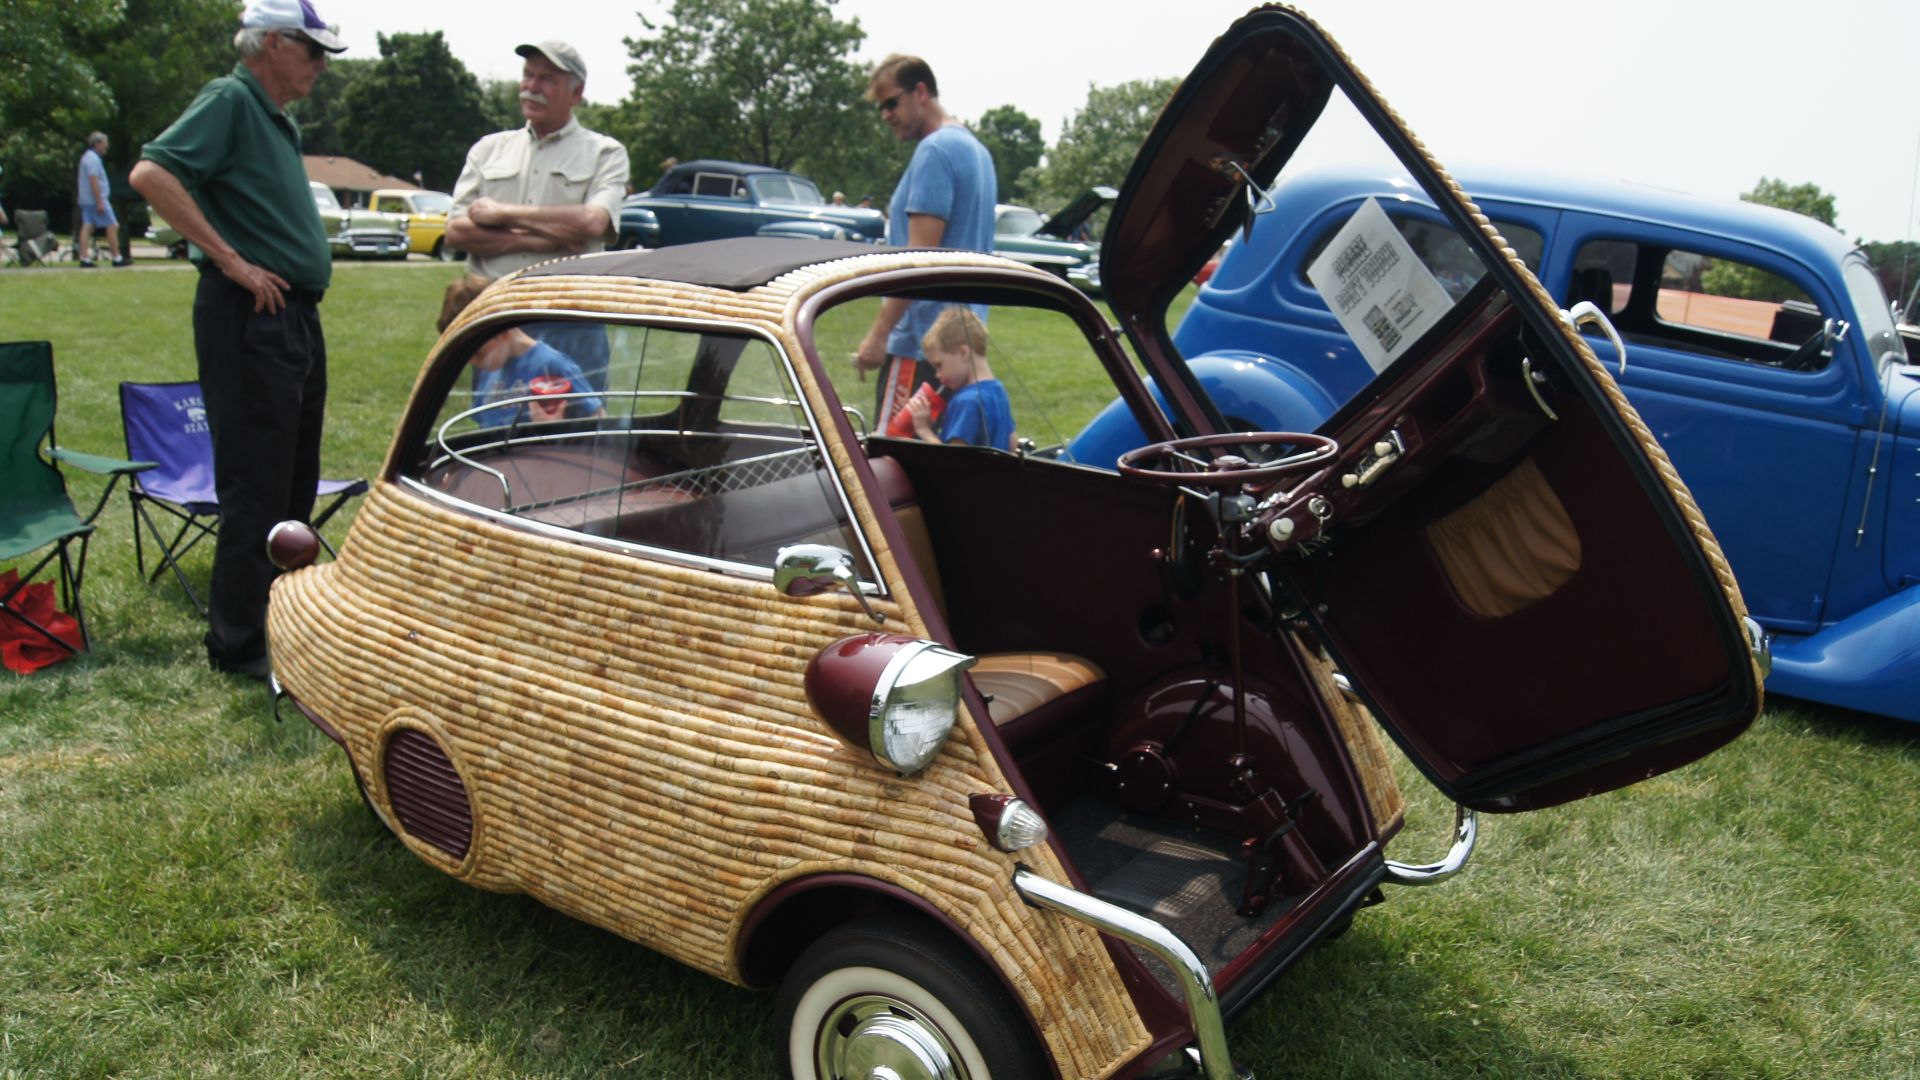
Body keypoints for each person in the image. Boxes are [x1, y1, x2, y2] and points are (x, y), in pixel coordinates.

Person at [129, 0, 347, 680]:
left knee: (293, 476)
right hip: (251, 313)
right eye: (313, 51)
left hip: (293, 315)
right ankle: (239, 643)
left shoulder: (275, 117)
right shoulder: (230, 97)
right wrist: (232, 260)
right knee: (257, 481)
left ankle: (279, 622)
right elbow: (151, 173)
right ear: (274, 44)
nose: (321, 65)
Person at [447, 39, 628, 390]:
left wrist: (501, 212)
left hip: (569, 317)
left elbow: (593, 222)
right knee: (491, 432)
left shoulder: (605, 153)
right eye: (528, 75)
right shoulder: (488, 149)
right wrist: (542, 235)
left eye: (547, 79)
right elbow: (456, 232)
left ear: (577, 93)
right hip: (495, 317)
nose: (532, 86)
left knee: (573, 431)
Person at [855, 54, 996, 430]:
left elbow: (918, 259)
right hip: (965, 348)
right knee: (941, 466)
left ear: (920, 92)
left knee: (891, 459)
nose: (885, 114)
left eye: (890, 103)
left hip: (922, 349)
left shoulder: (935, 151)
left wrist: (878, 334)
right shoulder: (976, 151)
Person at [435, 276, 605, 427]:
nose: (471, 362)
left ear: (502, 330)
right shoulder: (487, 371)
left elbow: (600, 421)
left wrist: (555, 427)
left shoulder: (550, 365)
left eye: (477, 353)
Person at [905, 307, 1013, 450]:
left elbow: (954, 460)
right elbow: (1012, 444)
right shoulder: (999, 390)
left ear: (963, 353)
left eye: (939, 365)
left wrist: (924, 430)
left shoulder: (966, 401)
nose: (937, 375)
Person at [76, 133, 130, 267]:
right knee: (113, 225)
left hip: (86, 199)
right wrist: (99, 200)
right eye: (105, 143)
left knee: (87, 227)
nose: (107, 146)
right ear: (98, 143)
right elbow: (94, 179)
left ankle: (84, 257)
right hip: (96, 199)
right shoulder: (93, 159)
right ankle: (117, 257)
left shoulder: (86, 158)